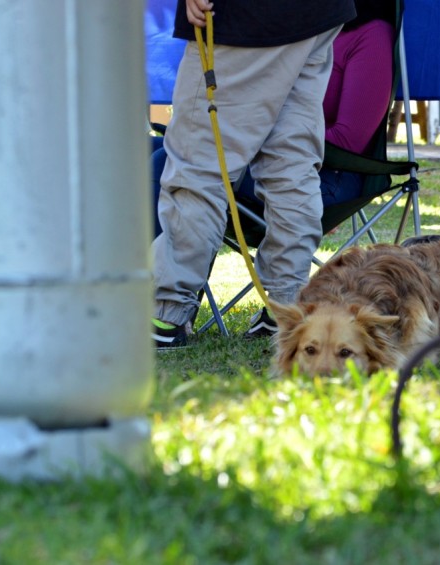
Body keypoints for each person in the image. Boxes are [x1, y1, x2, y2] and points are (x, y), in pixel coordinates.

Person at [151, 0, 357, 349]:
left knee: (199, 164)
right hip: (318, 13)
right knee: (289, 165)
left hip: (244, 17)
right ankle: (286, 310)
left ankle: (165, 315)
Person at [150, 1, 395, 236]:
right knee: (144, 150)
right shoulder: (281, 27)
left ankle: (162, 276)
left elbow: (349, 140)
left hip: (326, 174)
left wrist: (254, 134)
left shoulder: (371, 35)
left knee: (169, 162)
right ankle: (145, 269)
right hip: (260, 153)